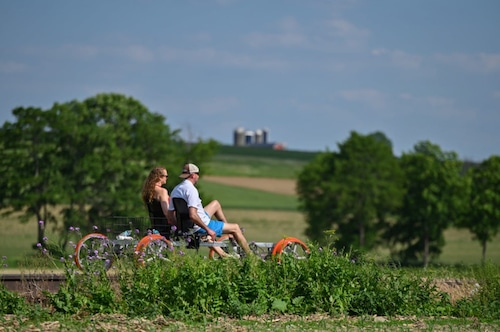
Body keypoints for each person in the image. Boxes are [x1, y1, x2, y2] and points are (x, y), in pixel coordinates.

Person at [167, 163, 252, 257]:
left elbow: (170, 215)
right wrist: (208, 230)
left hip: (191, 224)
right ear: (193, 175)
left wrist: (181, 228)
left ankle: (230, 234)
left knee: (215, 204)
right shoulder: (191, 190)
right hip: (200, 224)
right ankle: (250, 257)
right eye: (198, 174)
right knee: (235, 227)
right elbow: (193, 215)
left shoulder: (176, 189)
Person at [141, 166, 171, 236]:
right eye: (166, 176)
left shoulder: (148, 191)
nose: (167, 178)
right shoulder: (162, 191)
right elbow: (166, 212)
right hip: (165, 226)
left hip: (155, 225)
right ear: (160, 177)